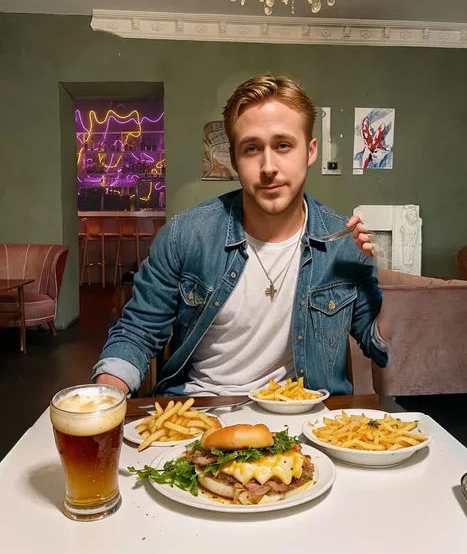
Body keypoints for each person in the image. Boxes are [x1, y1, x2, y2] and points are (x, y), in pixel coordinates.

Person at [93, 74, 389, 397]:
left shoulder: (342, 241)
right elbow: (137, 331)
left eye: (283, 145)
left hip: (305, 421)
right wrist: (103, 399)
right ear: (233, 159)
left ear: (311, 151)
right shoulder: (185, 235)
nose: (268, 167)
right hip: (200, 414)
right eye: (251, 149)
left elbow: (379, 347)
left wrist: (386, 272)